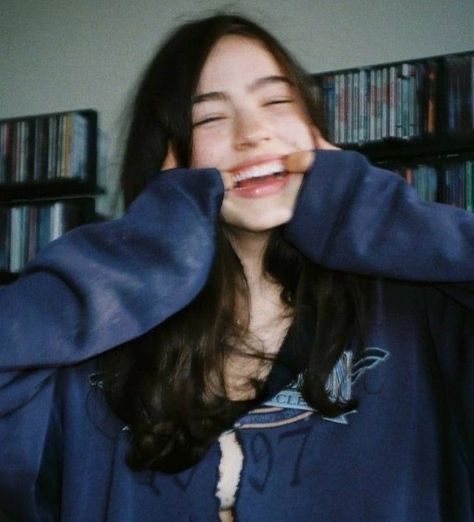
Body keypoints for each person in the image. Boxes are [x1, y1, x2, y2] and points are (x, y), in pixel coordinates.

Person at [0, 13, 473, 522]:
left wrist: (369, 209)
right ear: (170, 161)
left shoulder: (420, 308)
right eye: (209, 118)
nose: (253, 133)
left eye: (276, 101)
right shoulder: (102, 344)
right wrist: (152, 245)